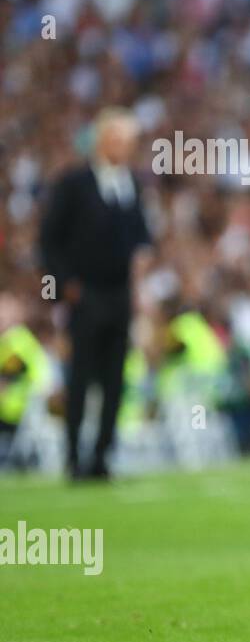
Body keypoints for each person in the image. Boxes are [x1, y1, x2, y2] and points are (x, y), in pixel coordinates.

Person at [39, 108, 152, 480]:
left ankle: (102, 455)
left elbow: (140, 242)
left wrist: (139, 289)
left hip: (119, 295)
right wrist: (65, 285)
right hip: (85, 294)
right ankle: (74, 457)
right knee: (81, 377)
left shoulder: (131, 184)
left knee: (115, 379)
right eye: (119, 139)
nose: (125, 148)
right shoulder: (74, 183)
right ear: (103, 140)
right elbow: (49, 240)